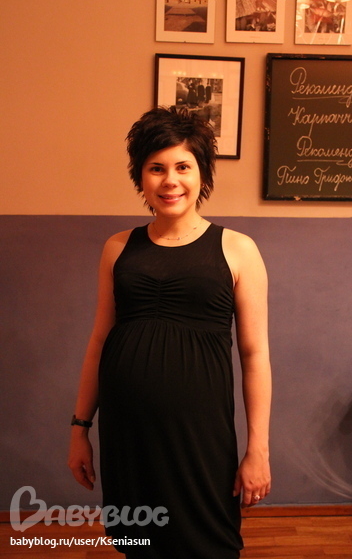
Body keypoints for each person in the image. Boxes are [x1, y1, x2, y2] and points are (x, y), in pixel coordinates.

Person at [68, 106, 271, 559]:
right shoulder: (117, 247)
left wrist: (258, 448)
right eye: (156, 168)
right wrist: (80, 428)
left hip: (199, 434)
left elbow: (255, 354)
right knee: (138, 542)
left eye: (183, 167)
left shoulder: (238, 249)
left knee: (208, 543)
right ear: (140, 177)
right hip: (127, 432)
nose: (170, 180)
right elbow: (100, 341)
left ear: (202, 174)